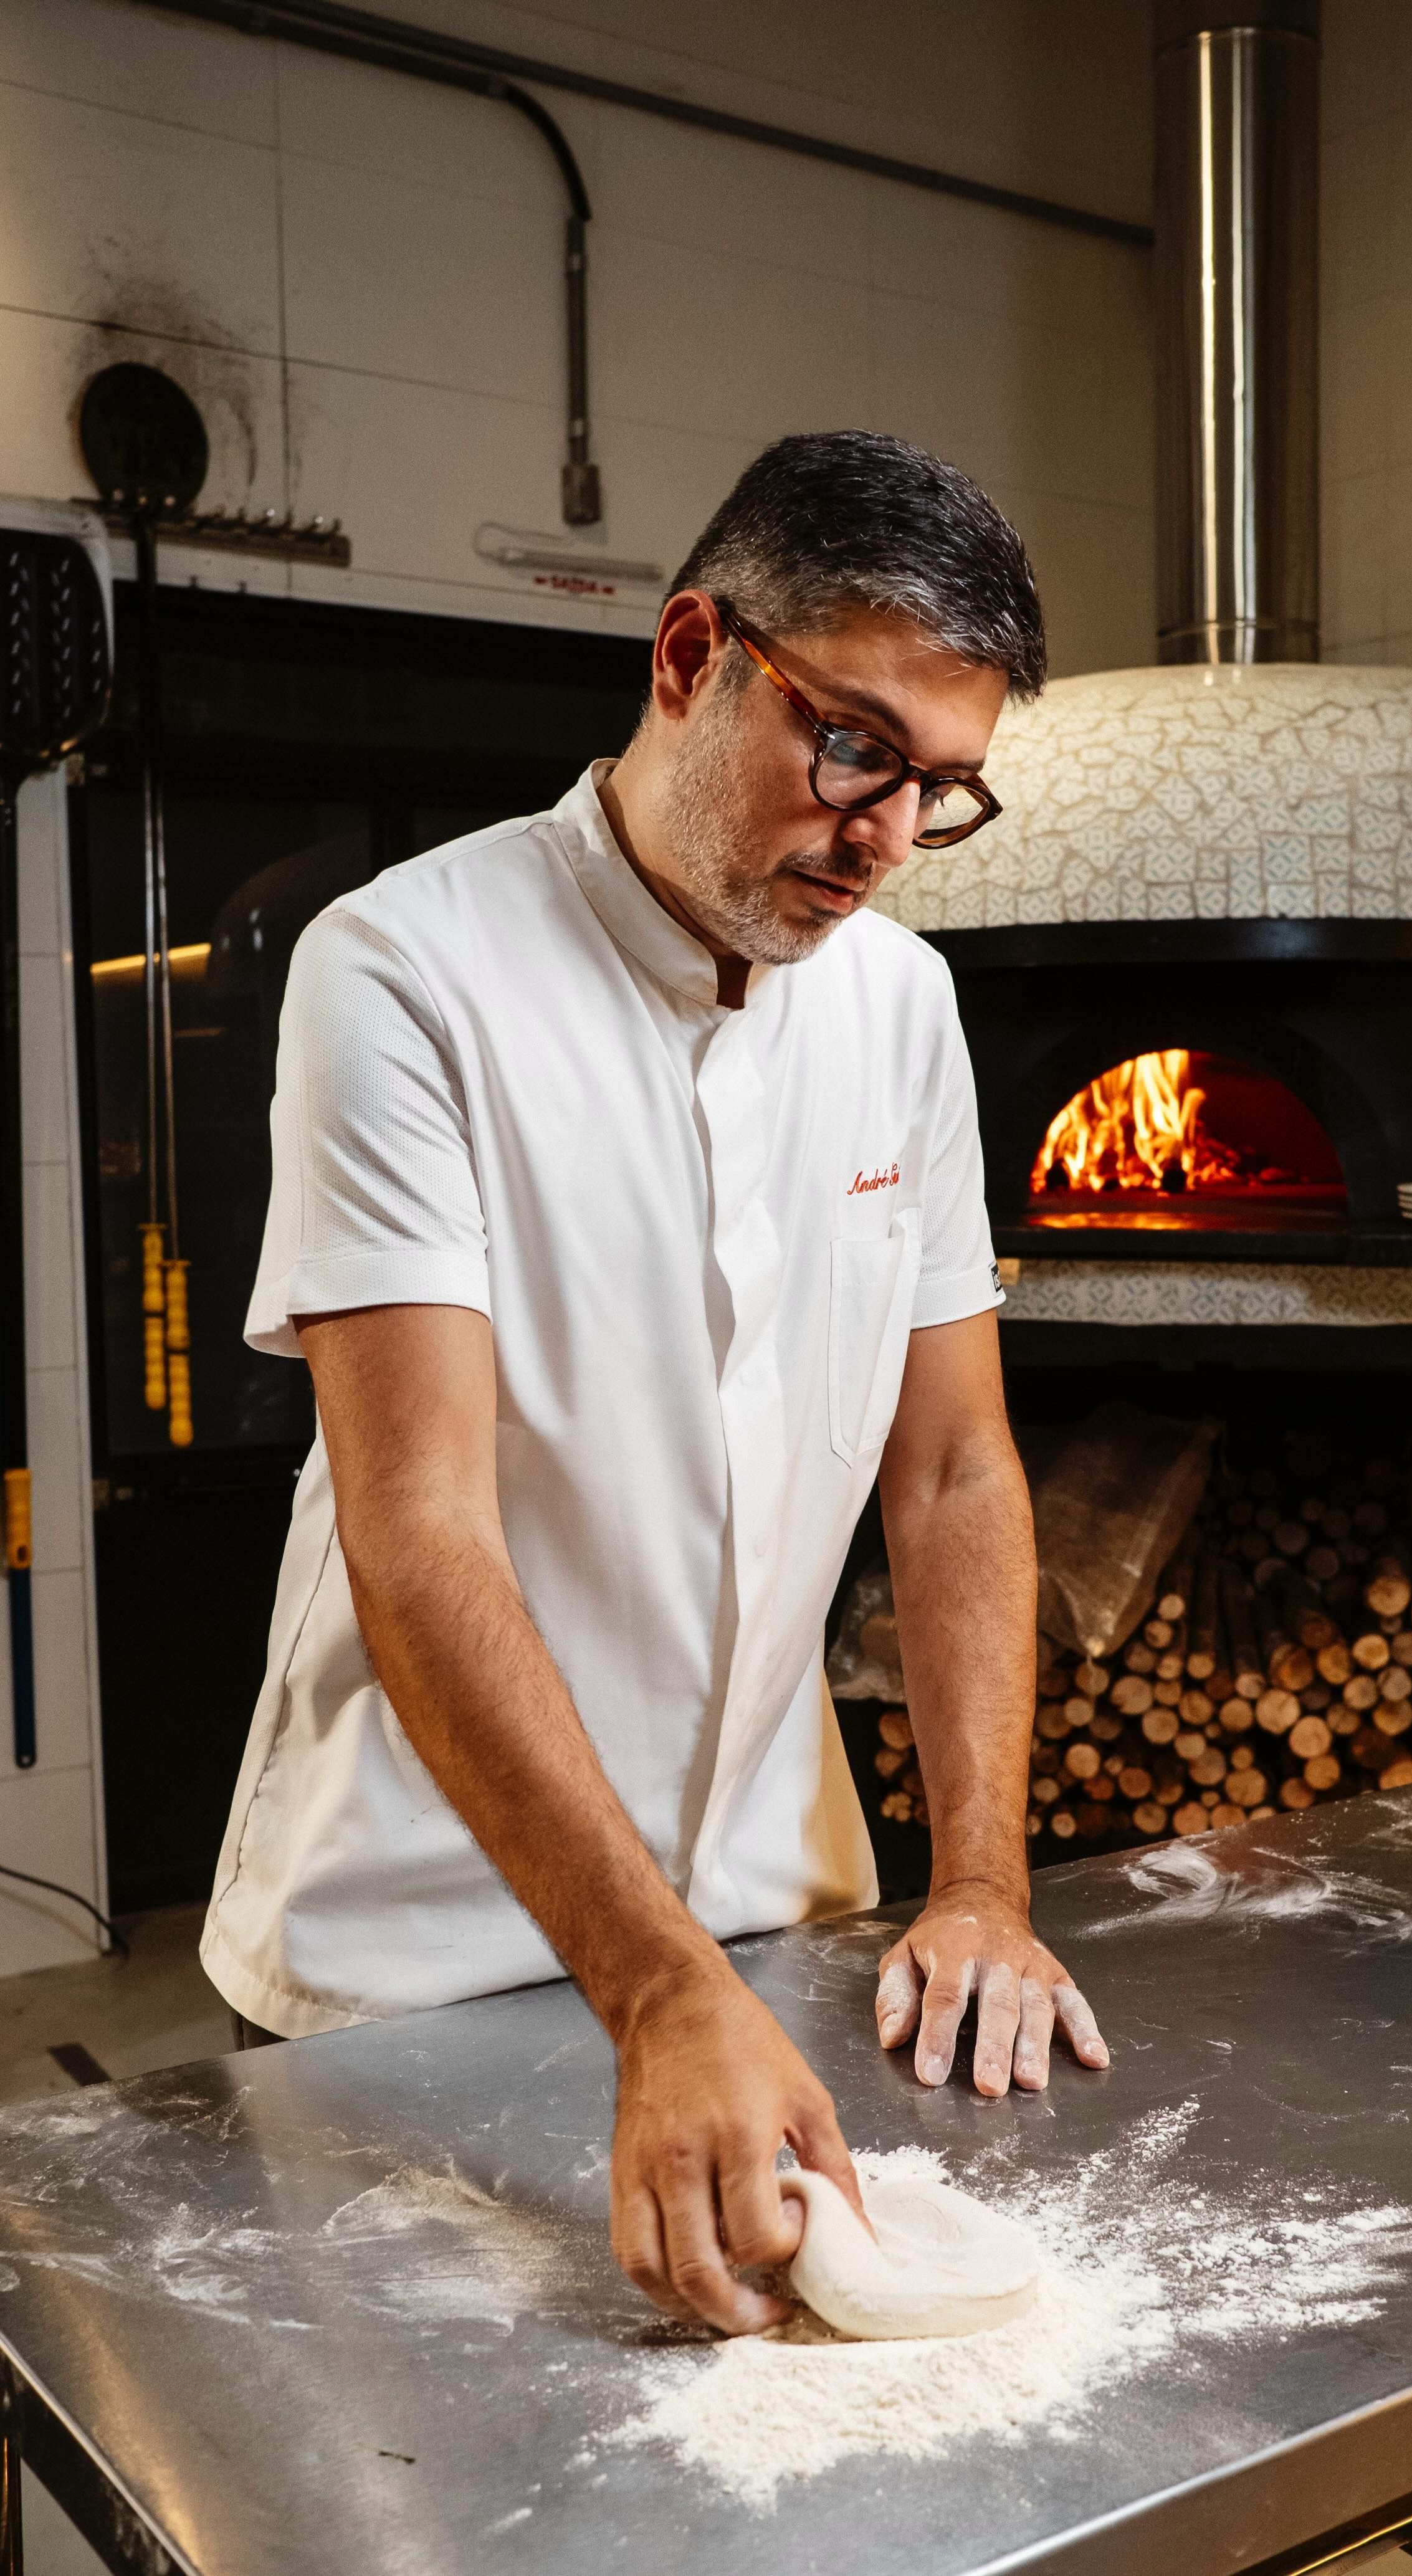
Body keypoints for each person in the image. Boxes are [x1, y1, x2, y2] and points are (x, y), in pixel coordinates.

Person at [202, 429, 1108, 2335]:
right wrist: (653, 1985)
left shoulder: (901, 1009)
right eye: (853, 748)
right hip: (415, 1952)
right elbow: (420, 1530)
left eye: (941, 789)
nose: (884, 839)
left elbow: (954, 1471)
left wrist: (982, 1885)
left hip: (774, 1912)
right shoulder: (408, 973)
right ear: (693, 653)